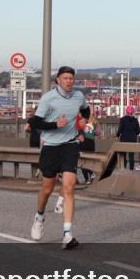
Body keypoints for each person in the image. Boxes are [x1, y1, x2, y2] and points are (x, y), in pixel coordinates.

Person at [29, 66, 90, 249]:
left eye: (71, 78)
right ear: (58, 80)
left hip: (70, 145)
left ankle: (67, 234)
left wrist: (83, 121)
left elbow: (85, 111)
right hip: (50, 147)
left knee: (69, 187)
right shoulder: (48, 98)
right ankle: (39, 217)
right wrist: (56, 124)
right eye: (65, 78)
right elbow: (35, 122)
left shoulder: (79, 96)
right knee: (47, 189)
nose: (69, 81)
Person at [117, 105, 140, 171]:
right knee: (131, 155)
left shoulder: (123, 119)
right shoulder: (135, 120)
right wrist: (134, 134)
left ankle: (124, 166)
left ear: (126, 112)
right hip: (133, 139)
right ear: (133, 112)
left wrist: (117, 135)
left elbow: (120, 129)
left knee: (123, 154)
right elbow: (138, 131)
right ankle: (131, 168)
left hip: (124, 138)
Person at [77, 112, 97, 184]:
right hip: (92, 143)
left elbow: (79, 135)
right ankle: (90, 176)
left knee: (82, 161)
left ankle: (88, 177)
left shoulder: (81, 124)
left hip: (84, 143)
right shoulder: (92, 124)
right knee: (89, 161)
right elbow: (97, 133)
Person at [25, 109, 42, 179]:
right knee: (42, 155)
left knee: (33, 155)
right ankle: (40, 169)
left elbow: (26, 129)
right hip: (42, 140)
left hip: (33, 139)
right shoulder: (43, 120)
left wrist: (31, 132)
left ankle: (35, 171)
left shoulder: (31, 120)